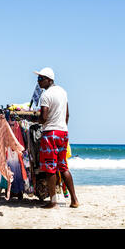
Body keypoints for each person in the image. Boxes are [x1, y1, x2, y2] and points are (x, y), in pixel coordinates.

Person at [34, 67, 79, 209]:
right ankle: (74, 200)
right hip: (63, 133)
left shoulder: (46, 95)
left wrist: (38, 119)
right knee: (63, 166)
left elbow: (43, 117)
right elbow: (67, 115)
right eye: (38, 78)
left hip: (50, 133)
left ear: (49, 80)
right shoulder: (63, 92)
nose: (38, 81)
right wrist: (62, 127)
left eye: (41, 79)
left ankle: (53, 202)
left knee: (50, 168)